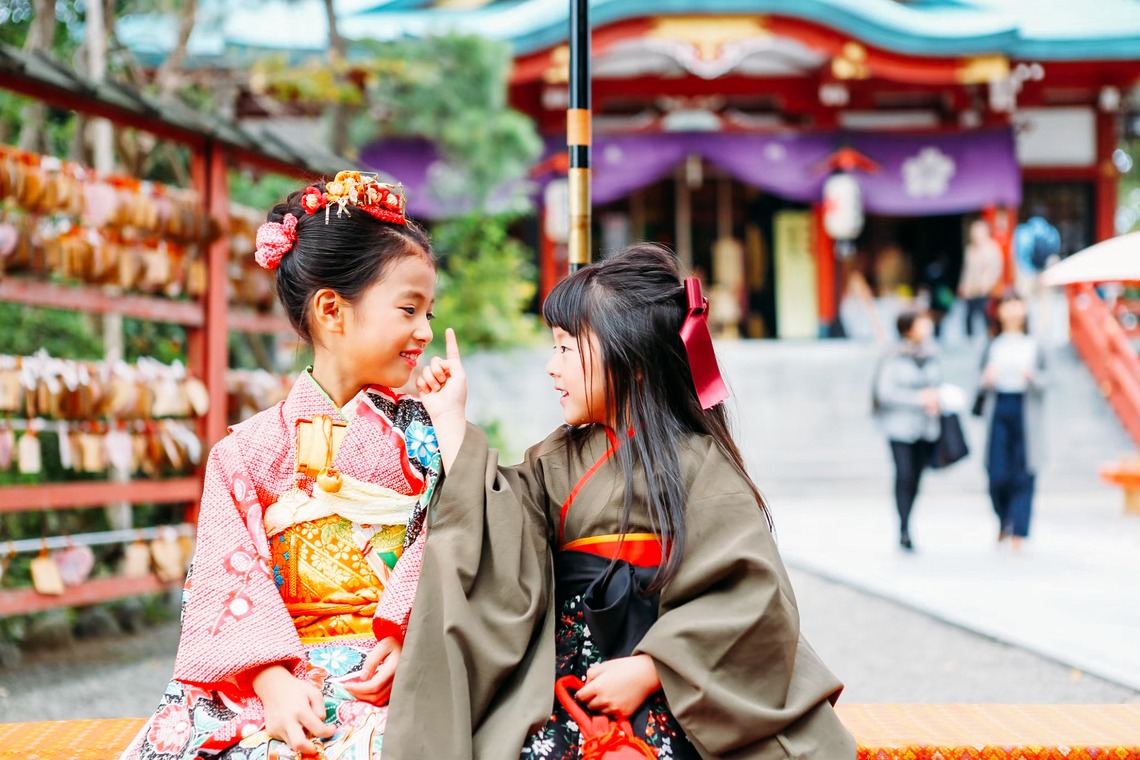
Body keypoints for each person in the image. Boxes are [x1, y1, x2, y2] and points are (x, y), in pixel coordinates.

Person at [383, 244, 856, 759]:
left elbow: (750, 597)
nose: (551, 366)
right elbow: (503, 530)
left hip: (672, 685)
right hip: (563, 677)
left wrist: (654, 667)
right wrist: (451, 421)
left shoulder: (700, 465)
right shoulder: (557, 457)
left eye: (566, 348)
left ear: (629, 358)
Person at [124, 172, 440, 759]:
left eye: (427, 311)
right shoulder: (244, 451)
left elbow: (455, 534)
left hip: (401, 662)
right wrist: (270, 682)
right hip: (279, 672)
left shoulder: (433, 436)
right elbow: (226, 578)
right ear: (330, 309)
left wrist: (404, 635)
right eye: (408, 309)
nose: (424, 331)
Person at [977, 292, 1046, 550]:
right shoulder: (992, 344)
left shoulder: (1036, 344)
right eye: (1007, 305)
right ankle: (1003, 518)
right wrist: (986, 380)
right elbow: (978, 379)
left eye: (1017, 304)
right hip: (999, 406)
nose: (1013, 310)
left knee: (1024, 470)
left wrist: (1033, 378)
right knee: (997, 472)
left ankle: (1019, 529)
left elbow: (1048, 379)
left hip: (1026, 408)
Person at [874, 310, 941, 551]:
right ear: (908, 327)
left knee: (916, 477)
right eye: (922, 322)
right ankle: (903, 527)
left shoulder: (932, 354)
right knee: (904, 475)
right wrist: (918, 398)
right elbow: (885, 393)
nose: (927, 326)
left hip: (925, 428)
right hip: (899, 428)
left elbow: (936, 384)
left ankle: (908, 519)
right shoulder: (893, 356)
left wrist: (937, 399)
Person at [958, 219, 1004, 338]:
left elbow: (996, 269)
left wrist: (988, 284)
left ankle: (990, 337)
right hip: (972, 289)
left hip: (985, 289)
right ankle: (969, 338)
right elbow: (967, 270)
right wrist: (963, 285)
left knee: (987, 314)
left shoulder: (992, 248)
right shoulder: (970, 249)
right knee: (969, 315)